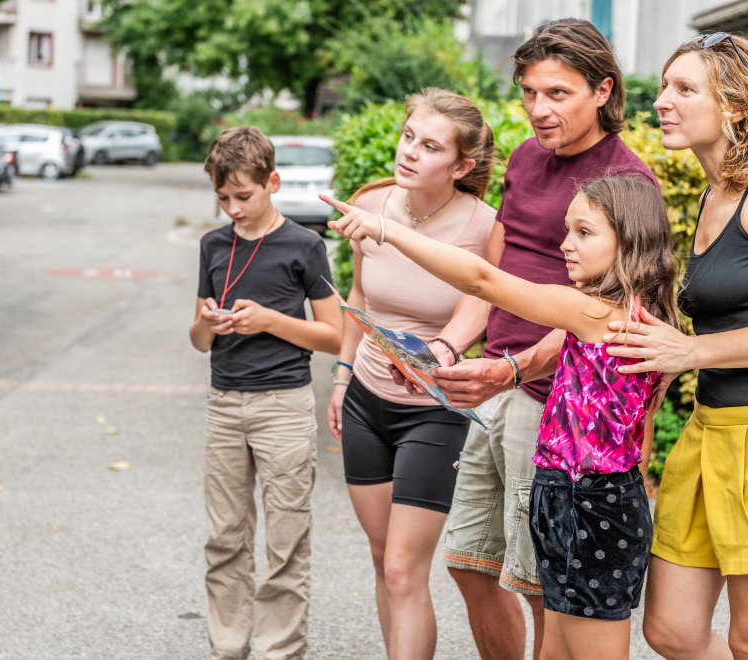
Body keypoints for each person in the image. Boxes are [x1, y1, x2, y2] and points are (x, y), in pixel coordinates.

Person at [321, 171, 679, 660]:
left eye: (584, 233)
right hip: (568, 496)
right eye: (567, 229)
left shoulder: (603, 316)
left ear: (630, 241)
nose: (565, 245)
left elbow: (482, 279)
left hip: (592, 507)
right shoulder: (617, 311)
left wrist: (386, 229)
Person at [389, 18, 659, 660]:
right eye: (530, 93)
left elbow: (603, 324)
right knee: (467, 562)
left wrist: (513, 371)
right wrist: (450, 349)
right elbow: (492, 277)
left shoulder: (627, 182)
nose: (539, 110)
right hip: (497, 384)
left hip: (554, 407)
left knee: (544, 588)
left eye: (558, 94)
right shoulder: (526, 158)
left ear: (604, 91)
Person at [326, 88, 497, 660]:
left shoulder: (484, 226)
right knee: (382, 560)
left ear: (462, 165)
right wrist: (342, 376)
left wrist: (446, 352)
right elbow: (358, 297)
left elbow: (485, 302)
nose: (410, 153)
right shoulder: (371, 201)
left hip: (432, 413)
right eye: (407, 137)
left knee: (404, 569)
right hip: (364, 402)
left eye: (429, 146)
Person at [599, 34, 748, 660]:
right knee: (672, 630)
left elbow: (699, 345)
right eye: (664, 86)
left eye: (684, 89)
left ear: (736, 108)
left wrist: (687, 353)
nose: (662, 101)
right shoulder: (715, 195)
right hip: (707, 430)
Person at [189, 126, 343, 660]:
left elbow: (333, 334)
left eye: (244, 196)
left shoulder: (304, 245)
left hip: (282, 405)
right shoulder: (212, 245)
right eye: (223, 198)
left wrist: (271, 321)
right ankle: (227, 647)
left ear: (272, 183)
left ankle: (280, 651)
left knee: (285, 540)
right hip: (225, 403)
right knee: (224, 538)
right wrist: (210, 322)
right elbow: (196, 339)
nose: (233, 208)